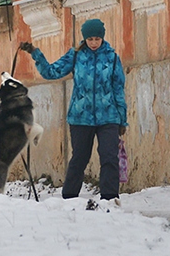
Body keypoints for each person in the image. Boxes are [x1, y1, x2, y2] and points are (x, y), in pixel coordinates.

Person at [19, 18, 128, 203]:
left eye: (97, 39)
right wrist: (35, 53)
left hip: (108, 116)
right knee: (79, 158)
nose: (93, 43)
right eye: (90, 39)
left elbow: (118, 89)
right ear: (84, 39)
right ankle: (69, 199)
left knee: (109, 157)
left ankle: (109, 198)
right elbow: (52, 72)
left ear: (102, 38)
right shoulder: (76, 55)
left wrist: (122, 120)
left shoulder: (112, 58)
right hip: (80, 117)